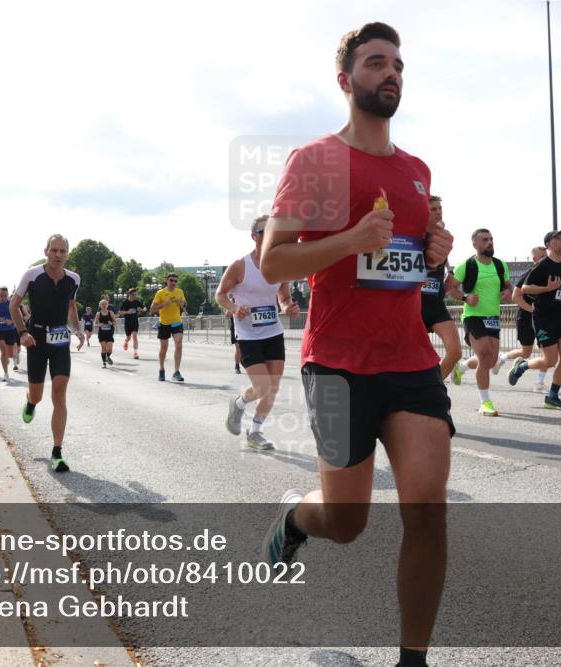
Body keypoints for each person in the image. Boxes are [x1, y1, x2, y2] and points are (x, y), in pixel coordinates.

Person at [259, 23, 455, 667]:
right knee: (347, 524)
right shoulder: (315, 162)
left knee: (427, 509)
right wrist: (349, 240)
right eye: (375, 63)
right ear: (347, 82)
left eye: (397, 63)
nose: (390, 73)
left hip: (409, 359)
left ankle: (413, 659)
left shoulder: (418, 172)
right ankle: (294, 520)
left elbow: (421, 272)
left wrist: (436, 257)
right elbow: (277, 261)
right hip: (337, 362)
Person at [218, 215, 301, 450]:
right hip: (248, 335)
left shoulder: (280, 266)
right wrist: (234, 308)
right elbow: (220, 294)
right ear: (254, 236)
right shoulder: (240, 266)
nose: (269, 235)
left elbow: (283, 296)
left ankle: (255, 431)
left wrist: (288, 307)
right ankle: (240, 403)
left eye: (273, 231)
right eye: (264, 231)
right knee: (262, 386)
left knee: (273, 387)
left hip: (273, 332)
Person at [11, 234, 84, 473]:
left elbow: (71, 305)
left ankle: (57, 452)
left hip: (61, 340)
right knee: (38, 395)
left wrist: (78, 328)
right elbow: (14, 305)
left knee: (60, 393)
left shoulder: (74, 278)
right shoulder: (32, 275)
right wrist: (22, 333)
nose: (58, 255)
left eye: (62, 251)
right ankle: (30, 403)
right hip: (36, 340)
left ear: (67, 254)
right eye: (54, 250)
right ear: (46, 251)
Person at [507, 230, 561, 410]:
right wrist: (547, 288)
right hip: (543, 317)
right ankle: (522, 366)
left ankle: (553, 396)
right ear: (548, 245)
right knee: (550, 361)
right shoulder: (542, 265)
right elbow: (525, 288)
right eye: (557, 239)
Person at [448, 229, 511, 416]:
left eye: (491, 239)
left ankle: (462, 367)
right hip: (473, 317)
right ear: (474, 243)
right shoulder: (466, 265)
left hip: (493, 317)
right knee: (484, 355)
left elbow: (508, 285)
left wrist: (508, 292)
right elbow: (449, 288)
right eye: (485, 239)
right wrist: (465, 297)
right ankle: (485, 403)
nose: (489, 242)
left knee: (491, 361)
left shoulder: (500, 265)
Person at [419, 196, 462, 381]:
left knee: (455, 352)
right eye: (433, 208)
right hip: (415, 307)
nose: (438, 212)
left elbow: (445, 265)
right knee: (416, 360)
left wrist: (450, 275)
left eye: (439, 208)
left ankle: (436, 386)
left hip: (436, 306)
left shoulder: (442, 236)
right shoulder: (414, 236)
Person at [503, 246, 548, 391]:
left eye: (546, 256)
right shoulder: (529, 273)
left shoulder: (549, 273)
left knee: (548, 352)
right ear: (535, 259)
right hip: (526, 316)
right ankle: (501, 359)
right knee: (526, 352)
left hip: (543, 317)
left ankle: (539, 383)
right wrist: (531, 309)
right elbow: (516, 296)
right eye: (542, 256)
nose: (546, 259)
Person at [150, 273, 186, 382]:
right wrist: (163, 305)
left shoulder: (179, 292)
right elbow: (152, 309)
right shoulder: (160, 293)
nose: (173, 283)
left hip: (177, 323)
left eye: (175, 281)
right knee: (164, 348)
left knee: (179, 344)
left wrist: (182, 304)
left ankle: (176, 371)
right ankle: (161, 369)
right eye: (171, 280)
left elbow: (184, 305)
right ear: (167, 280)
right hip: (164, 323)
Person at [0, 287, 20, 381]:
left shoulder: (12, 303)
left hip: (10, 330)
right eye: (1, 295)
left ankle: (11, 357)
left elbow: (18, 316)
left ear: (7, 295)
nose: (2, 297)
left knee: (10, 354)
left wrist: (11, 321)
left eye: (4, 295)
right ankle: (6, 374)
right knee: (3, 350)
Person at [118, 288, 146, 359]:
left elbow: (145, 308)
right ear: (129, 294)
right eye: (133, 294)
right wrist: (127, 312)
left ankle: (135, 353)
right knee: (128, 337)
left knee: (135, 336)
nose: (135, 296)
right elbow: (120, 312)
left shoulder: (136, 302)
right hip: (127, 322)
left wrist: (142, 309)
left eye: (135, 294)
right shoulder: (125, 302)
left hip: (135, 322)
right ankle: (126, 342)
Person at [94, 299, 116, 367]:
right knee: (103, 349)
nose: (104, 305)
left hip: (109, 333)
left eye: (105, 304)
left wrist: (111, 323)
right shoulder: (98, 314)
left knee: (109, 349)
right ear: (100, 305)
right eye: (102, 304)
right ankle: (104, 363)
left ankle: (107, 357)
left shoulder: (111, 313)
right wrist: (99, 325)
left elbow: (115, 322)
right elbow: (94, 324)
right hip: (102, 334)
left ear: (107, 305)